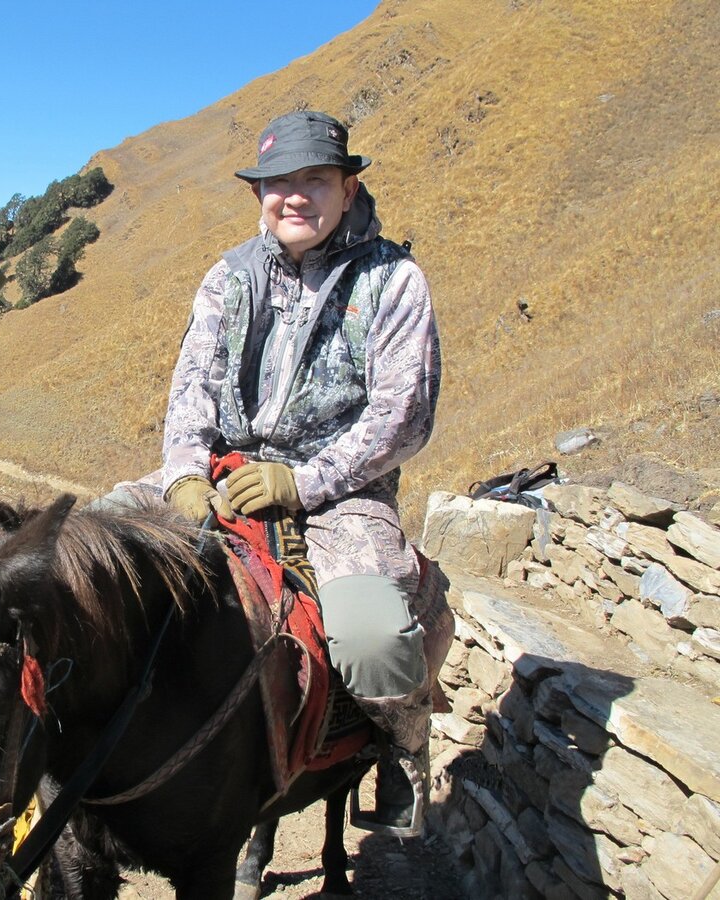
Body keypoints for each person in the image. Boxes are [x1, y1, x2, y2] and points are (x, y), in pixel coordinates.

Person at [157, 110, 442, 835]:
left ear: (348, 189)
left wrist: (304, 482)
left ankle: (402, 749)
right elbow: (192, 386)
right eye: (277, 182)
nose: (293, 196)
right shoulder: (229, 277)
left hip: (345, 494)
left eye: (314, 179)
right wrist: (184, 474)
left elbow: (403, 416)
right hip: (226, 472)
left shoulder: (394, 281)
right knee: (93, 557)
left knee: (373, 639)